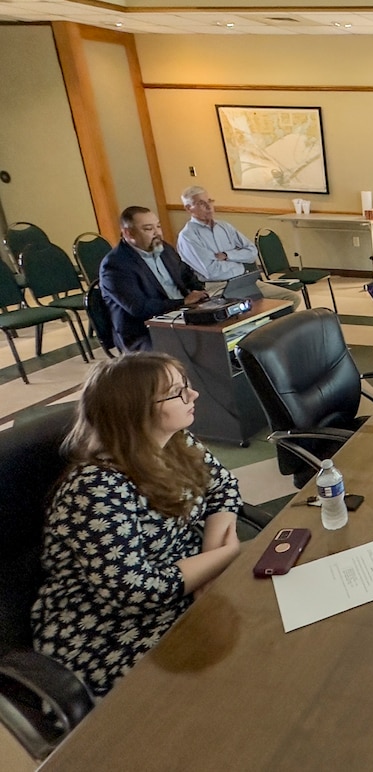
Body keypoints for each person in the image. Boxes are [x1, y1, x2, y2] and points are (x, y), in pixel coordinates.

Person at [31, 353, 243, 698]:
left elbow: (223, 488)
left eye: (185, 386)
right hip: (109, 626)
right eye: (177, 392)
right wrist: (225, 554)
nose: (193, 396)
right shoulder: (96, 489)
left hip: (184, 580)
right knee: (222, 683)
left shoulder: (175, 441)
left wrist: (210, 562)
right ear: (137, 411)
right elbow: (134, 592)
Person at [100, 206, 210, 352]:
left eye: (158, 226)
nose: (157, 233)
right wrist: (183, 302)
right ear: (128, 233)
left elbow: (186, 274)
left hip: (180, 314)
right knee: (195, 346)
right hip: (145, 331)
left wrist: (200, 292)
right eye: (148, 229)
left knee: (224, 331)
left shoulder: (164, 249)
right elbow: (139, 308)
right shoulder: (115, 265)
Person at [176, 186, 301, 309]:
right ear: (189, 208)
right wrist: (240, 263)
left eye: (209, 201)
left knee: (290, 299)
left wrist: (227, 255)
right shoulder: (188, 236)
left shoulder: (224, 227)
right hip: (217, 287)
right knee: (252, 310)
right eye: (201, 203)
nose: (209, 207)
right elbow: (212, 271)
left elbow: (252, 252)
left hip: (242, 281)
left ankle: (272, 327)